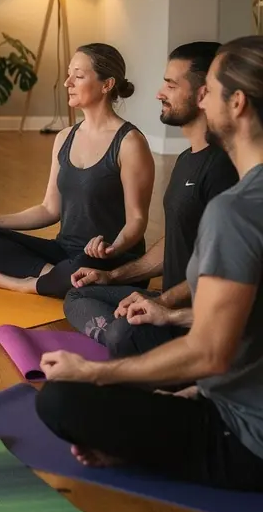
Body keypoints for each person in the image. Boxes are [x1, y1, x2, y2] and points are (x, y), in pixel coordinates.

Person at [37, 36, 263, 491]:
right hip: (228, 390)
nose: (202, 99)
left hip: (244, 438)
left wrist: (95, 372)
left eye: (209, 90)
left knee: (60, 400)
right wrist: (172, 318)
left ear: (236, 103)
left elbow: (209, 353)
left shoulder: (236, 209)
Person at [65, 42, 238, 356]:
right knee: (79, 294)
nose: (159, 93)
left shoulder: (223, 168)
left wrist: (164, 304)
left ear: (203, 94)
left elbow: (225, 269)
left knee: (122, 331)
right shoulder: (186, 159)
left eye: (171, 85)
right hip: (168, 302)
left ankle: (131, 344)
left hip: (196, 320)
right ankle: (126, 341)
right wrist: (111, 276)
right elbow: (176, 241)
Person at [0, 44, 155, 298]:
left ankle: (26, 283)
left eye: (78, 76)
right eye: (69, 74)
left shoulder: (129, 143)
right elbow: (49, 209)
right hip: (65, 253)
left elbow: (137, 220)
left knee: (83, 263)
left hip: (109, 259)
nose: (67, 83)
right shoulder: (64, 138)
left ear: (107, 85)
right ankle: (53, 277)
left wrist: (113, 248)